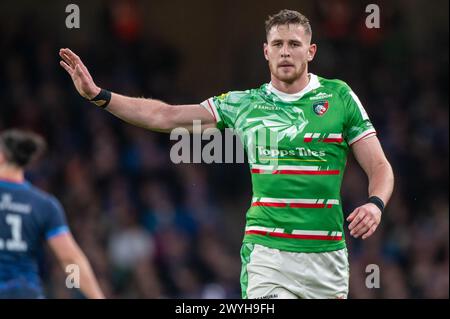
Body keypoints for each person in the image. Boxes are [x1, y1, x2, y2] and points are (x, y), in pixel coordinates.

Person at [59, 9, 394, 299]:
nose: (286, 52)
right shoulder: (242, 103)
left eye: (294, 44)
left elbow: (379, 165)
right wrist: (99, 95)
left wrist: (376, 203)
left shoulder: (339, 97)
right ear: (266, 52)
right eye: (277, 44)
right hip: (268, 255)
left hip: (327, 258)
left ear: (311, 50)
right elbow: (165, 116)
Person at [0, 129, 105, 299]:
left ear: (2, 156)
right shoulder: (43, 204)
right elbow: (70, 260)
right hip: (25, 292)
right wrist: (93, 295)